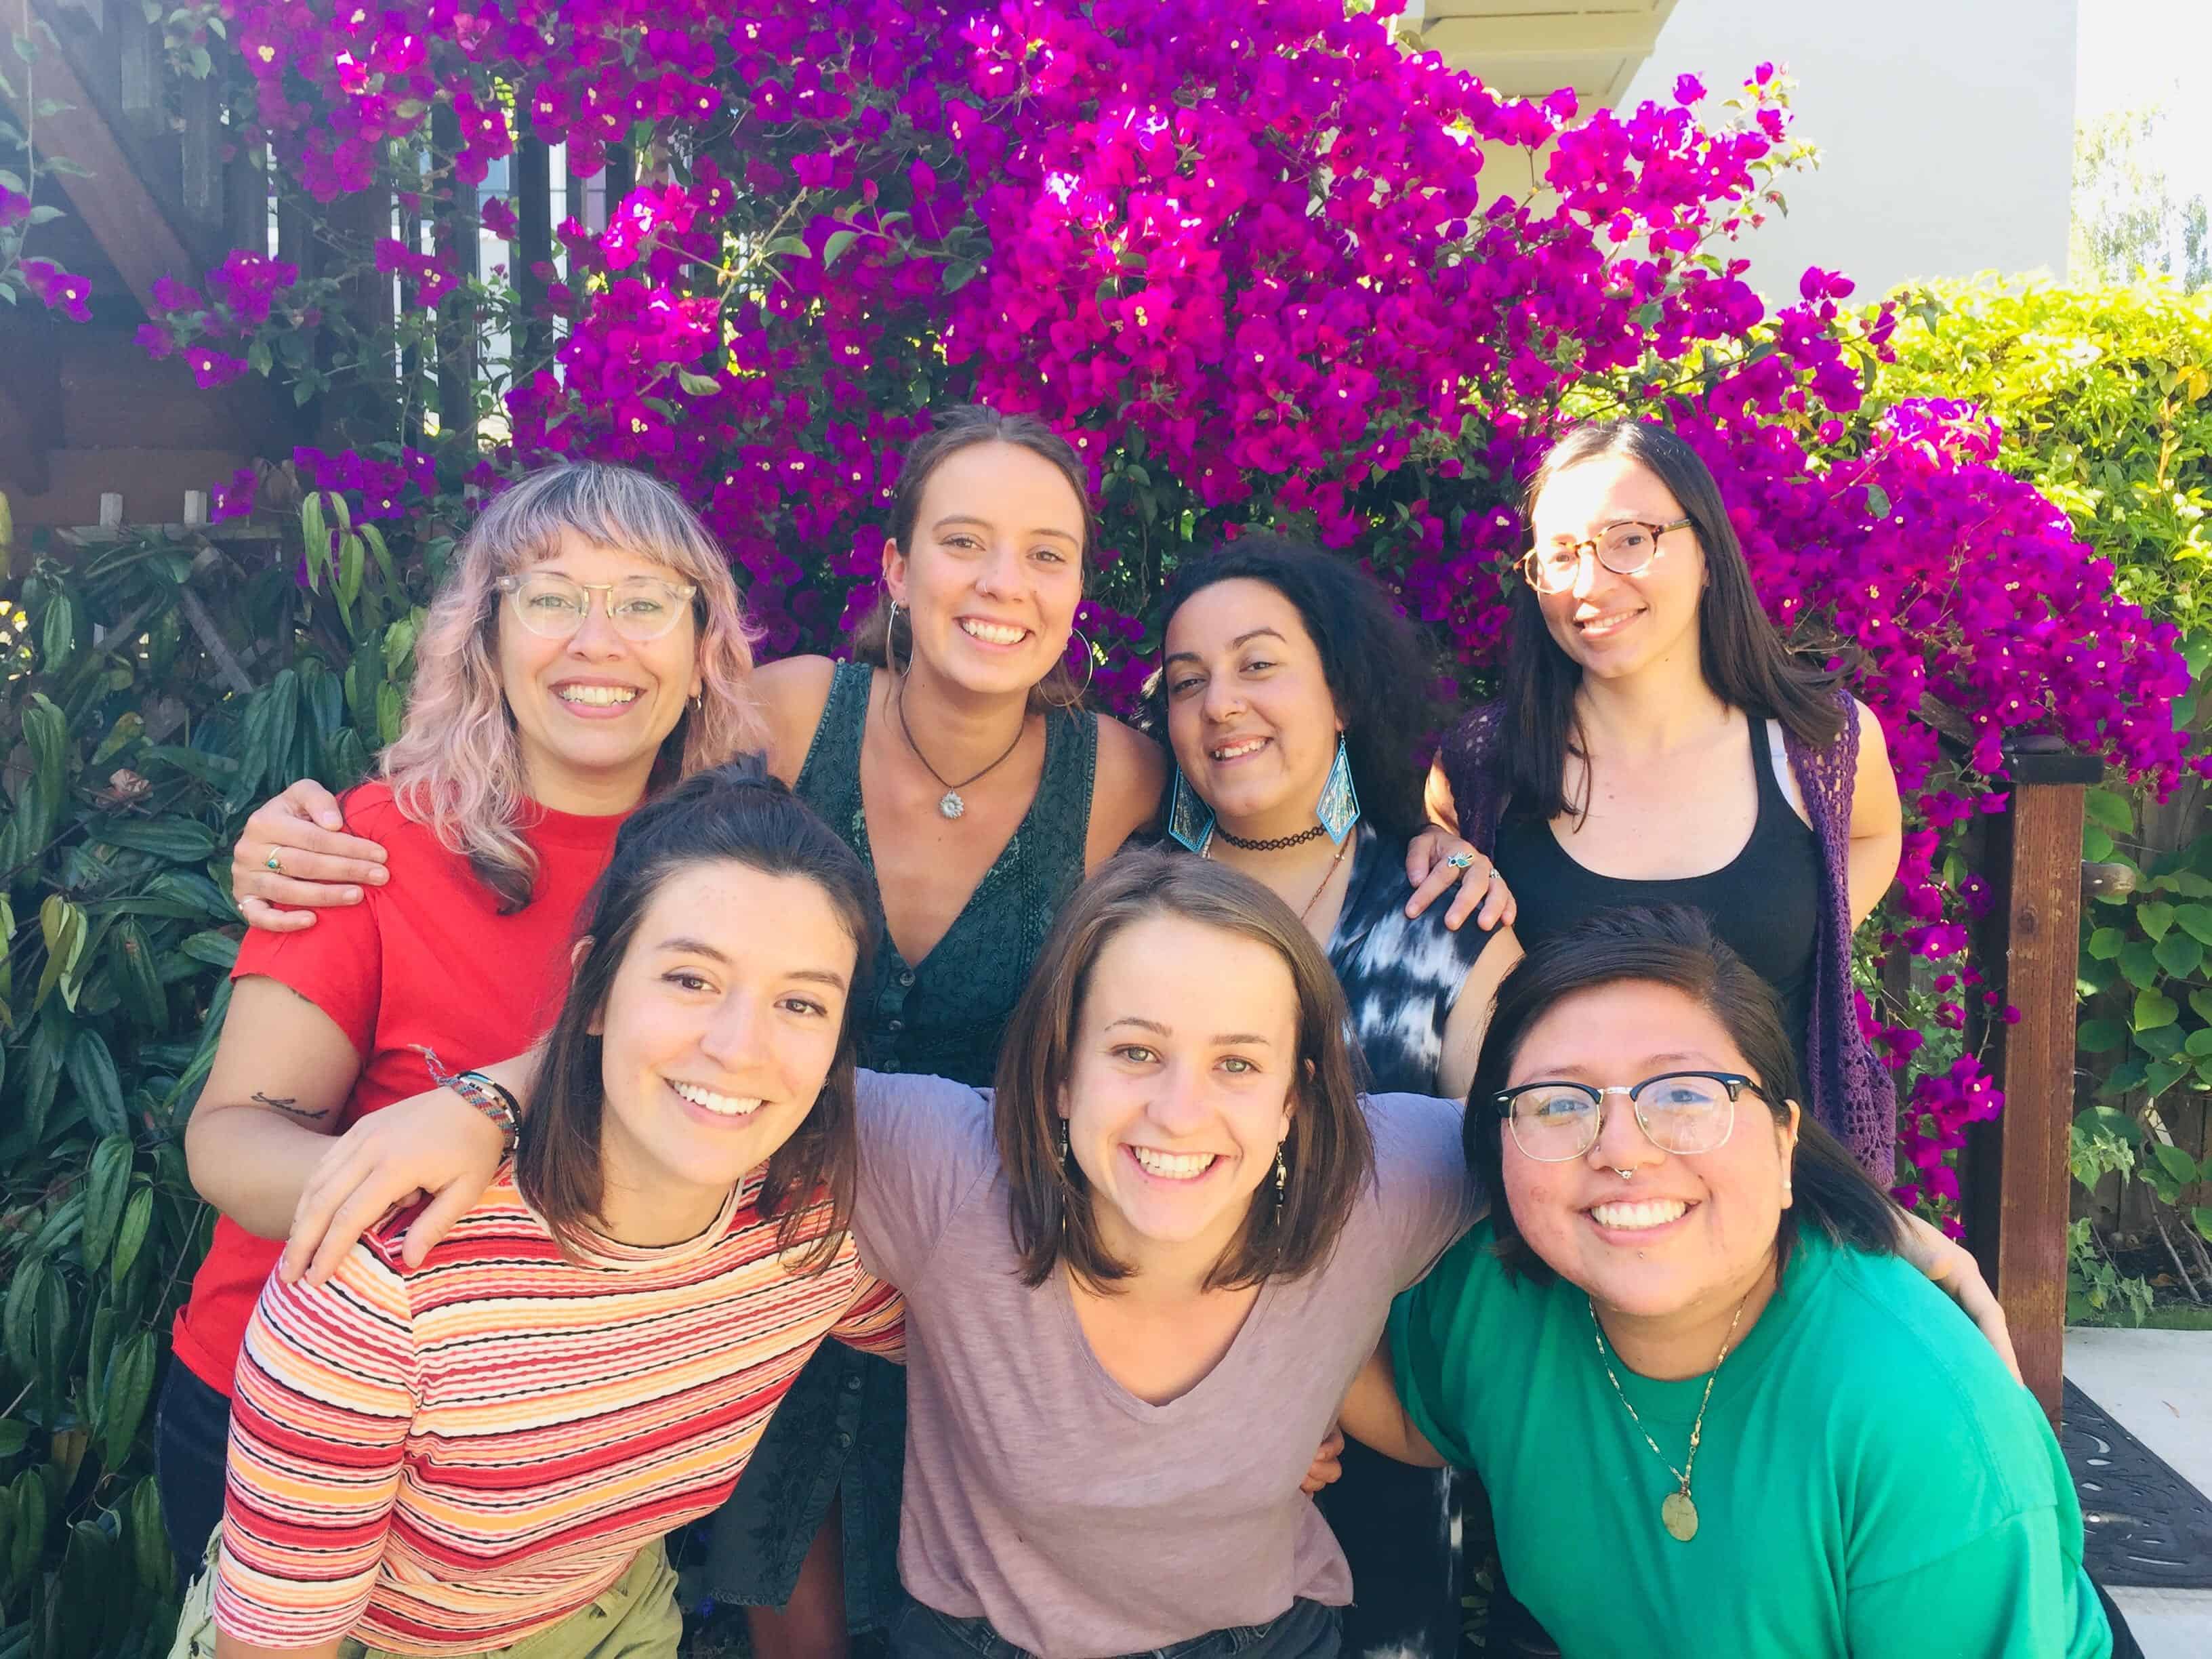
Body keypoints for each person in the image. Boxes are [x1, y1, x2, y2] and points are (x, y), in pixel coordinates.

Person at [224, 408, 1498, 1655]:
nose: (1001, 580)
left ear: (1073, 596)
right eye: (960, 540)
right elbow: (627, 869)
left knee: (962, 1588)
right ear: (894, 568)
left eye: (1045, 552)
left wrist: (1417, 832)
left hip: (972, 1274)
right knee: (796, 1596)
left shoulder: (1115, 773)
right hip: (756, 1249)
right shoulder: (782, 717)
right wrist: (337, 836)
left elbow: (1254, 809)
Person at [157, 461, 766, 1573]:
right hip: (297, 1415)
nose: (598, 637)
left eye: (642, 600)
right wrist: (442, 1172)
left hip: (566, 1439)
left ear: (701, 651)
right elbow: (229, 1140)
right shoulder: (368, 844)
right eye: (548, 596)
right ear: (485, 638)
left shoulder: (742, 877)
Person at [168, 765, 905, 1659]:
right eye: (689, 980)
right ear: (592, 995)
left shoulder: (813, 1240)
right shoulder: (386, 1298)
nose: (738, 1048)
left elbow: (987, 1330)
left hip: (611, 1616)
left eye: (799, 1002)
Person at [1345, 906, 2111, 1659]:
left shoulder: (1919, 1421)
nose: (1621, 1150)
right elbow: (1412, 1415)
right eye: (1558, 1104)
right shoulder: (1498, 1297)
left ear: (1785, 1144)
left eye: (1682, 1095)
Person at [1151, 536, 1520, 1656]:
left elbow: (1509, 1188)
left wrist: (1334, 1386)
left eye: (1258, 664)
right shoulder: (1125, 903)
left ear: (1342, 691)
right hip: (1150, 1420)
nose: (1219, 704)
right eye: (1184, 680)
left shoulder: (1443, 916)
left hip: (1380, 1433)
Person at [1432, 417, 1904, 1179]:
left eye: (1629, 539)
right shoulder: (1489, 763)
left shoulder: (1819, 743)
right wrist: (1437, 843)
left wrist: (1827, 917)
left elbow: (1875, 837)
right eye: (1559, 556)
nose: (1588, 586)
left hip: (1785, 1194)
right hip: (1566, 1200)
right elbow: (1440, 858)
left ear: (1708, 553)